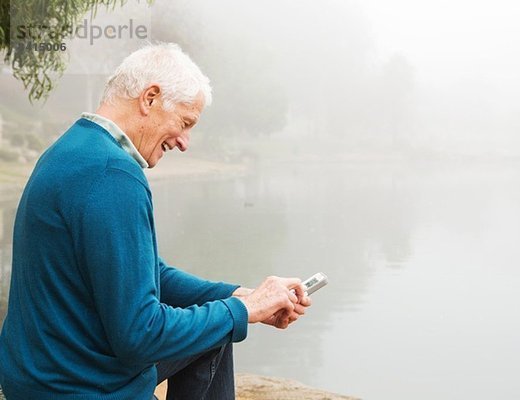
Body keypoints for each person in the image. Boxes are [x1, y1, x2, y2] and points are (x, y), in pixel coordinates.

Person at [0, 43, 311, 400]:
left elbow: (147, 273)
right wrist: (241, 312)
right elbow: (139, 336)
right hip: (77, 388)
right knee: (218, 324)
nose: (184, 142)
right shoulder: (113, 175)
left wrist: (240, 297)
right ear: (150, 99)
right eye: (185, 122)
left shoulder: (74, 147)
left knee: (214, 330)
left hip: (38, 375)